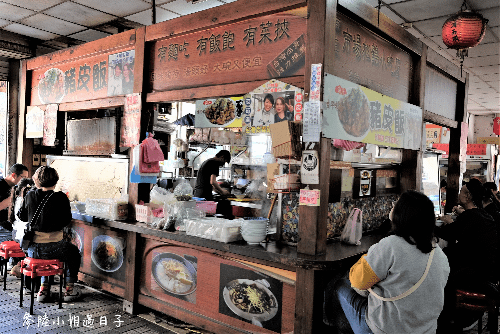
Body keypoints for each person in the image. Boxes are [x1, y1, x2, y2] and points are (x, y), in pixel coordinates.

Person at [335, 190, 450, 334]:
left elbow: (358, 282)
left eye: (396, 205)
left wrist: (369, 255)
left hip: (384, 329)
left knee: (340, 286)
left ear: (400, 215)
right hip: (425, 330)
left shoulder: (391, 245)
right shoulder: (440, 255)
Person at [436, 179, 498, 330]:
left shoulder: (470, 217)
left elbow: (446, 233)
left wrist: (444, 221)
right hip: (490, 271)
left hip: (478, 273)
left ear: (468, 196)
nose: (458, 194)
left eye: (461, 192)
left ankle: (454, 320)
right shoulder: (482, 214)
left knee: (442, 273)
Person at [18, 166, 82, 303]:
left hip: (32, 249)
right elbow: (66, 221)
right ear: (55, 181)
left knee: (45, 260)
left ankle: (43, 289)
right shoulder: (61, 197)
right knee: (73, 252)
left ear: (37, 181)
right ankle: (70, 289)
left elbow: (22, 217)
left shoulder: (30, 195)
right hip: (55, 247)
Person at [9, 178, 35, 278]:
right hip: (22, 236)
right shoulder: (26, 201)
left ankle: (18, 264)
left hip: (15, 233)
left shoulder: (16, 199)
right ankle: (22, 266)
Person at [0, 164, 29, 243]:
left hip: (11, 226)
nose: (25, 181)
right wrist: (14, 198)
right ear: (14, 175)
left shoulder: (14, 187)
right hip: (2, 228)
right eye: (23, 178)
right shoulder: (1, 185)